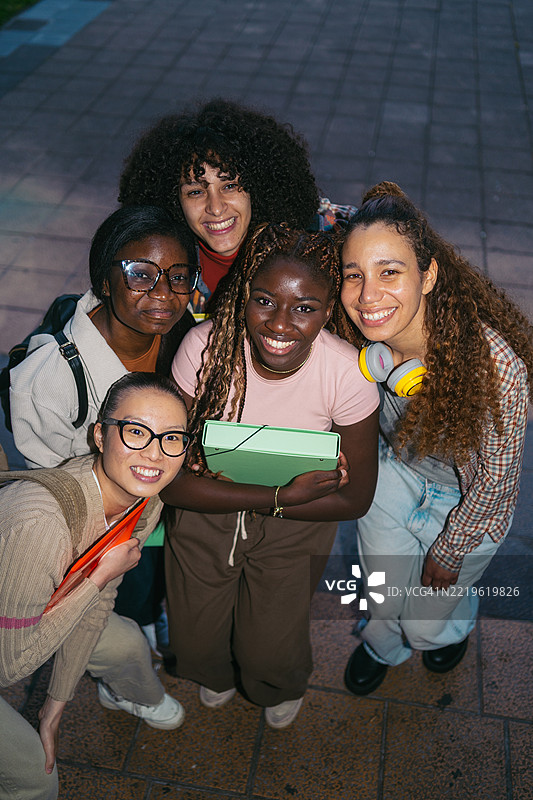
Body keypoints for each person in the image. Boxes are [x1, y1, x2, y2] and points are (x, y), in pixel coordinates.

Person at [161, 223, 380, 729]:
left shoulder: (346, 374)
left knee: (270, 644)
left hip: (298, 521)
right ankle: (213, 674)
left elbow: (355, 500)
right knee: (194, 632)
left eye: (304, 307)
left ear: (328, 310)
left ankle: (275, 683)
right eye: (264, 300)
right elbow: (172, 481)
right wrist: (279, 492)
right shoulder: (205, 346)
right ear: (242, 297)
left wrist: (254, 493)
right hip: (211, 515)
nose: (280, 324)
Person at [335, 181, 533, 695]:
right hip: (393, 475)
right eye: (354, 275)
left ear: (429, 276)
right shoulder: (362, 331)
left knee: (426, 624)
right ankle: (383, 643)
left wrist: (451, 548)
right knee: (383, 601)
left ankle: (452, 623)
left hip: (470, 507)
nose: (368, 295)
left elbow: (494, 485)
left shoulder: (496, 368)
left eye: (390, 272)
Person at [9, 205, 197, 659]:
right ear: (104, 281)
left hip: (153, 501)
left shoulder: (179, 334)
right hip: (101, 518)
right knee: (123, 595)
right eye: (140, 274)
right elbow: (54, 485)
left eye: (178, 277)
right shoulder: (50, 376)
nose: (163, 294)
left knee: (154, 570)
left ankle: (151, 614)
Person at [0, 372, 192, 800]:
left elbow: (99, 603)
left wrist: (54, 710)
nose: (154, 454)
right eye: (136, 432)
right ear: (101, 436)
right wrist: (99, 576)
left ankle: (126, 694)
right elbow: (10, 668)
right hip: (8, 645)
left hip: (38, 611)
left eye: (172, 438)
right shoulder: (41, 523)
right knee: (34, 776)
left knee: (124, 643)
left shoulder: (146, 495)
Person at [118, 98, 356, 316]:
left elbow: (371, 226)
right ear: (173, 201)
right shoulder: (158, 273)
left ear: (258, 186)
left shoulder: (317, 234)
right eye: (196, 192)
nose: (216, 207)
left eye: (230, 186)